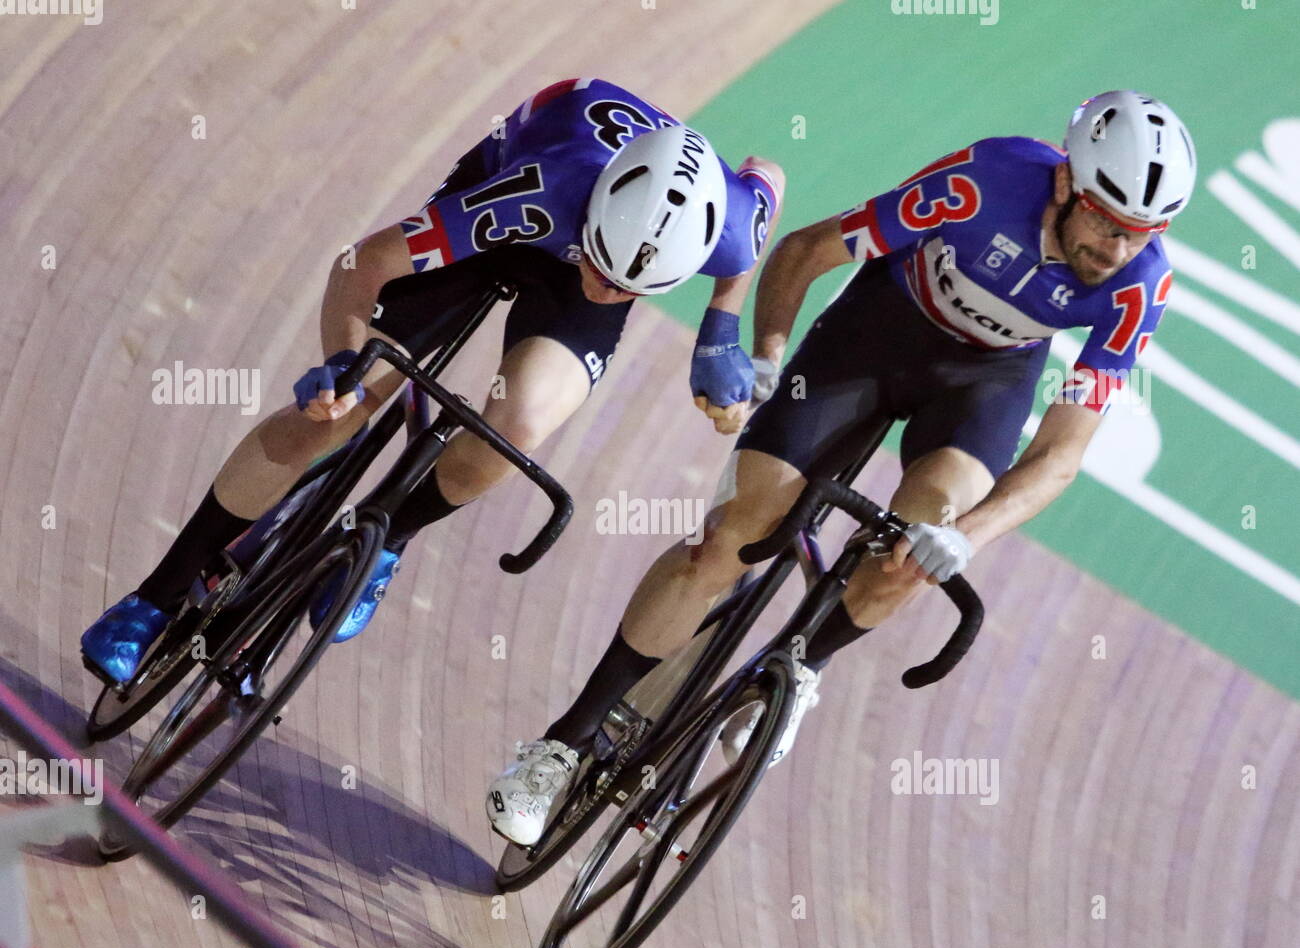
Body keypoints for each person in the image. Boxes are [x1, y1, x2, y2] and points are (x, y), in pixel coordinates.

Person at [491, 90, 1195, 844]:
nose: (1116, 249)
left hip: (984, 384)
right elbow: (804, 251)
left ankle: (800, 670)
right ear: (1065, 184)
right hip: (879, 330)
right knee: (736, 535)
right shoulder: (985, 180)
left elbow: (1061, 455)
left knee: (926, 538)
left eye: (1140, 232)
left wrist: (970, 539)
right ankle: (565, 743)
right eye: (1105, 222)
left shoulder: (1140, 283)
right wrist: (766, 355)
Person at [81, 78, 785, 690]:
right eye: (601, 268)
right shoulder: (534, 194)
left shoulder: (727, 229)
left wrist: (721, 326)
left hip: (606, 219)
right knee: (333, 417)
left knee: (520, 428)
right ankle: (152, 598)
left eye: (629, 287)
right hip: (527, 205)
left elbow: (769, 179)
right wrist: (343, 363)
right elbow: (361, 266)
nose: (604, 290)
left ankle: (387, 541)